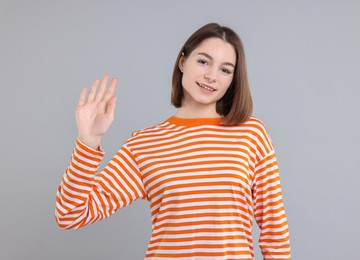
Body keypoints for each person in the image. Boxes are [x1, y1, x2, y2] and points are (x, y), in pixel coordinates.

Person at [55, 22, 291, 260]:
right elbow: (70, 215)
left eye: (225, 70)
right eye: (203, 61)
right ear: (182, 62)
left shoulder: (252, 134)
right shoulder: (145, 144)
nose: (211, 76)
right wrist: (88, 142)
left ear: (232, 80)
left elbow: (275, 235)